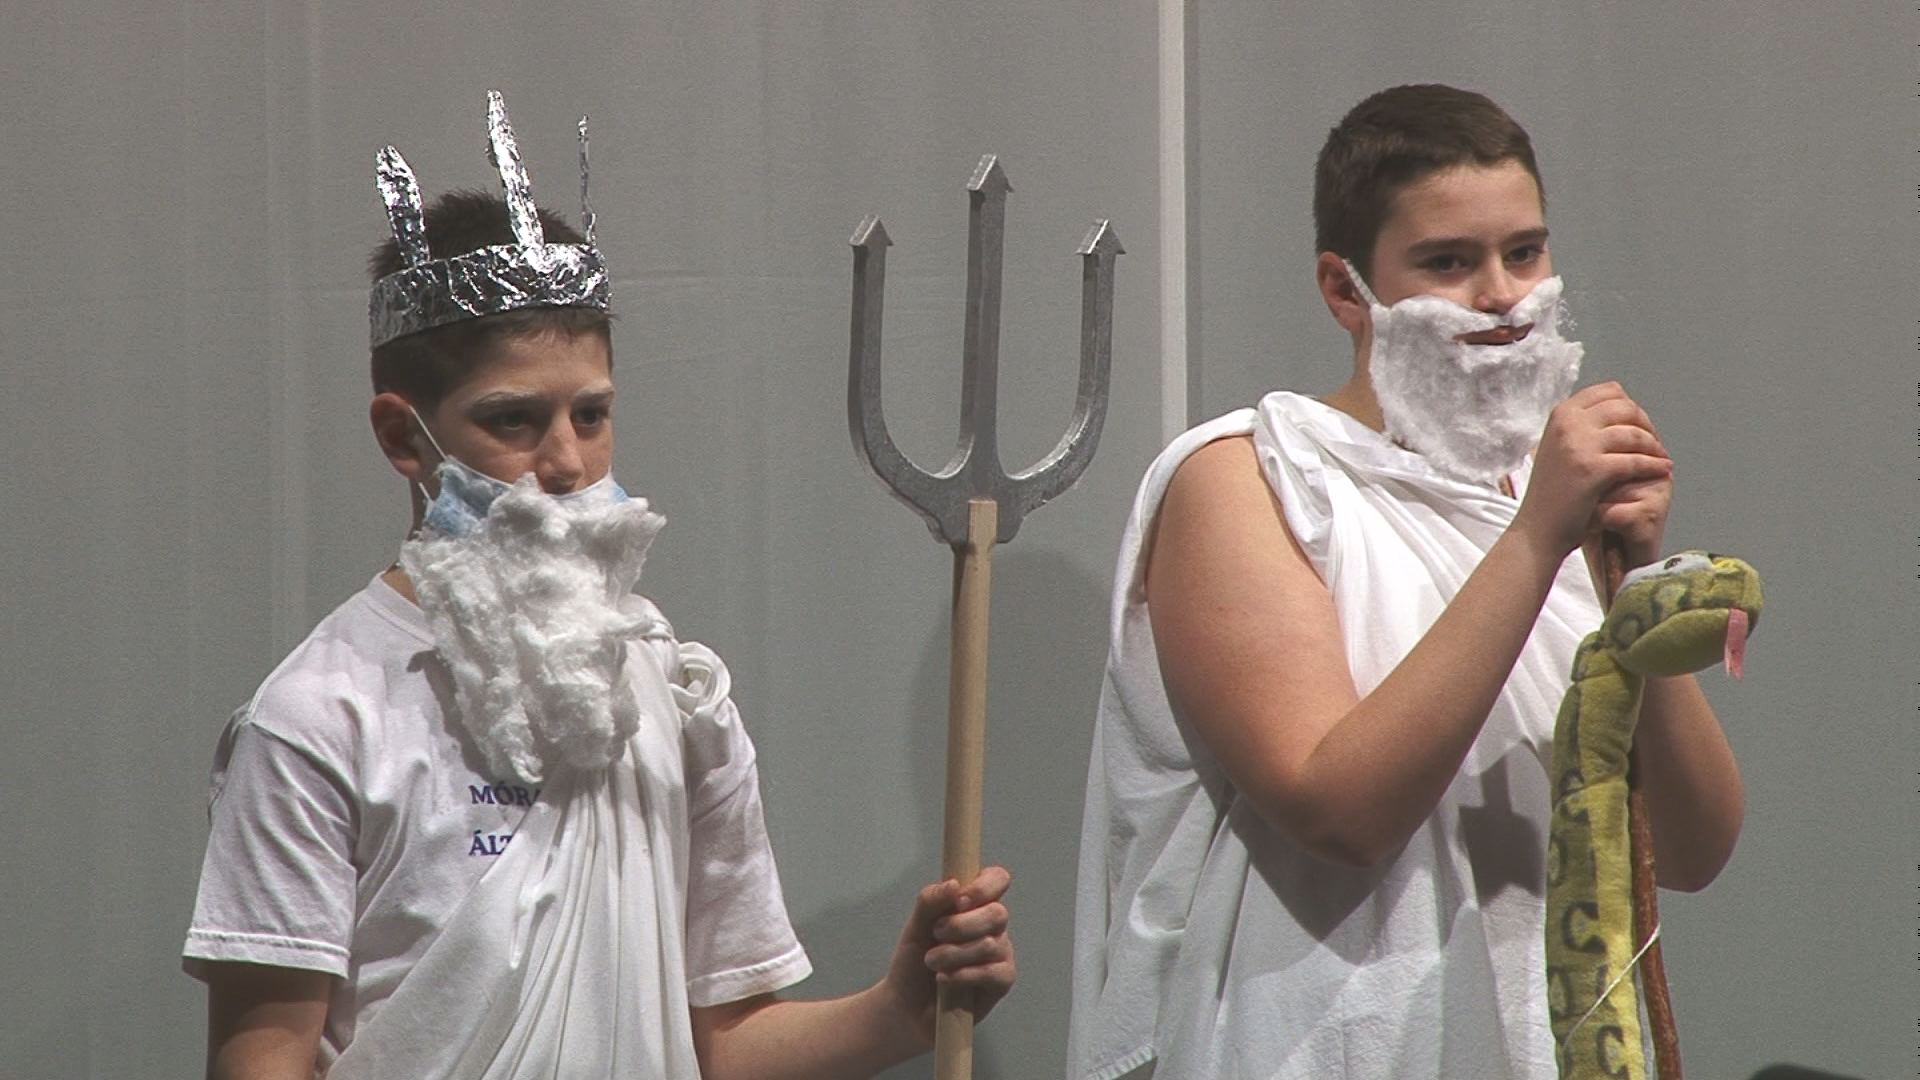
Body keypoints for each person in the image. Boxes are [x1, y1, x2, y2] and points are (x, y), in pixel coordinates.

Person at [182, 93, 1014, 1079]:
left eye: (592, 413)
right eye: (513, 420)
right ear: (404, 435)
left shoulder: (674, 697)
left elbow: (726, 1043)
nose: (568, 462)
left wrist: (900, 1010)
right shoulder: (318, 719)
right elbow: (264, 1060)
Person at [1067, 84, 1742, 1079]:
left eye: (1525, 252)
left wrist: (1633, 585)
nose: (1503, 295)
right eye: (1449, 263)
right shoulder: (1250, 477)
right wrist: (1534, 540)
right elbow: (1340, 811)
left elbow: (1692, 850)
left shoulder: (1551, 503)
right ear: (1346, 291)